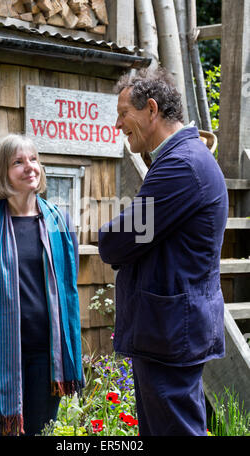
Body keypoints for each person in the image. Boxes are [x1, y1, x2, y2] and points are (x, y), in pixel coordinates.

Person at [98, 67, 228, 436]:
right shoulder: (181, 159)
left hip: (170, 332)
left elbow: (116, 242)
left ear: (151, 109)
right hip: (167, 329)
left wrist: (112, 233)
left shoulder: (181, 166)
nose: (118, 123)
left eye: (124, 113)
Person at [0, 134, 84, 436]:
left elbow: (67, 283)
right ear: (2, 173)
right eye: (18, 162)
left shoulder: (60, 221)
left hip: (46, 355)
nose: (30, 167)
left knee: (41, 430)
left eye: (33, 160)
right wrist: (6, 314)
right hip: (0, 354)